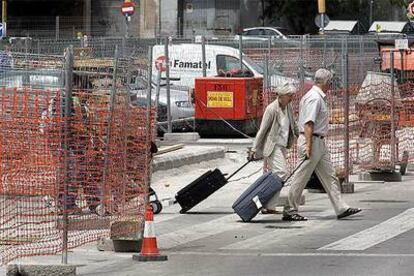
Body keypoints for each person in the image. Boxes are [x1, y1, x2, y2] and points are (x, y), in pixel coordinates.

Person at [282, 69, 361, 221]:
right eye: (330, 82)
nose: (331, 85)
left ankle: (340, 208)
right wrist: (309, 147)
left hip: (319, 142)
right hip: (311, 141)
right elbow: (308, 123)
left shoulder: (317, 96)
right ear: (325, 82)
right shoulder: (315, 98)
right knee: (301, 177)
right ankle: (290, 210)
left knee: (330, 175)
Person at [248, 82, 299, 214]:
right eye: (289, 95)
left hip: (283, 145)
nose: (291, 98)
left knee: (277, 175)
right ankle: (265, 200)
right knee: (281, 173)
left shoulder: (288, 107)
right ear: (281, 96)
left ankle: (269, 205)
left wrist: (301, 134)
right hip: (272, 146)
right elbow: (263, 130)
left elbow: (293, 124)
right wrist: (254, 149)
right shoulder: (271, 109)